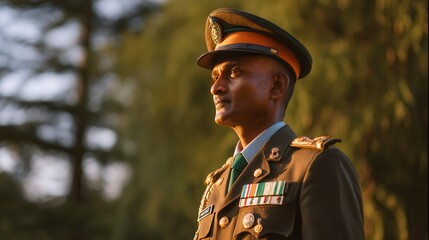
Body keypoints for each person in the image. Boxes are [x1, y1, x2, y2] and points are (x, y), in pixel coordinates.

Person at [193, 8, 364, 240]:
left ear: (277, 86)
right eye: (215, 77)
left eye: (234, 72)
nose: (216, 87)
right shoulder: (216, 187)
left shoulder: (315, 166)